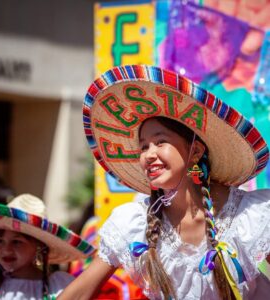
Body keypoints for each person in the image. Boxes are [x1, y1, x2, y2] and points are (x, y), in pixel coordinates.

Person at [57, 65, 270, 300]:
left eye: (160, 142)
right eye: (144, 146)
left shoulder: (250, 216)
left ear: (195, 150)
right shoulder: (133, 225)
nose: (149, 154)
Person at [0, 193, 95, 299]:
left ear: (39, 246)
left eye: (17, 242)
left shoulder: (58, 286)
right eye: (0, 241)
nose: (6, 249)